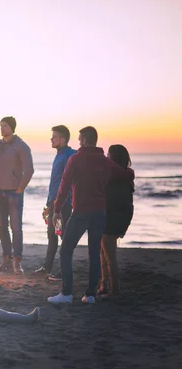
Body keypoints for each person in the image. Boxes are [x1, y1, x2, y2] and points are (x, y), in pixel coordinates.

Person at [48, 127, 134, 305]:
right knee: (94, 253)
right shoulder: (105, 161)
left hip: (80, 213)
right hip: (100, 214)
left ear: (85, 141)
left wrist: (56, 210)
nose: (78, 142)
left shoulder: (75, 159)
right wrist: (130, 173)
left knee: (65, 251)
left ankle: (66, 293)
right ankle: (90, 295)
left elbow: (63, 188)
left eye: (80, 140)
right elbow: (125, 174)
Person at [0, 116, 34, 274]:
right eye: (0, 125)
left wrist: (20, 189)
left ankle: (17, 262)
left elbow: (29, 170)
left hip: (14, 193)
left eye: (5, 126)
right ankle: (6, 260)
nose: (2, 128)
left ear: (12, 127)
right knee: (1, 226)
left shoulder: (21, 146)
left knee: (16, 228)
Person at [35, 125, 76, 280]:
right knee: (52, 235)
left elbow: (71, 180)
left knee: (61, 234)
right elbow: (55, 182)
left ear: (63, 139)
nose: (51, 139)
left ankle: (64, 271)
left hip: (63, 205)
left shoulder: (69, 155)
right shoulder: (59, 155)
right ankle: (47, 267)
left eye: (55, 136)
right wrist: (48, 204)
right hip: (54, 204)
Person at [97, 145, 135, 299]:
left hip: (111, 217)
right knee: (103, 251)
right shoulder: (126, 175)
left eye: (108, 154)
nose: (106, 156)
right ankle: (104, 285)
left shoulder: (113, 176)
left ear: (114, 157)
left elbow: (112, 199)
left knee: (110, 256)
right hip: (120, 216)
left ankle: (114, 290)